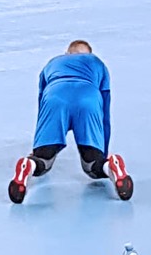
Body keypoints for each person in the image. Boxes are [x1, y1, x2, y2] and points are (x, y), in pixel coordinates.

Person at [9, 39, 128, 203]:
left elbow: (42, 103)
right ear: (90, 54)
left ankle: (29, 165)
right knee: (92, 165)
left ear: (67, 53)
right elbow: (105, 113)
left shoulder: (52, 63)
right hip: (89, 98)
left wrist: (37, 149)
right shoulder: (97, 63)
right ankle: (111, 166)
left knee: (43, 160)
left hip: (55, 97)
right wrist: (103, 152)